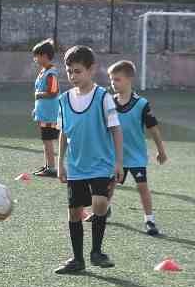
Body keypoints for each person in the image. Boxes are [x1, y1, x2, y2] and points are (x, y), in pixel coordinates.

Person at [54, 46, 122, 273]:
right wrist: (60, 161)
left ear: (91, 70)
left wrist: (118, 162)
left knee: (100, 203)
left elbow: (116, 130)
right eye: (70, 72)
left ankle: (96, 252)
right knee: (74, 212)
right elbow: (63, 132)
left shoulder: (103, 97)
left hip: (101, 163)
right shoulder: (64, 100)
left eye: (78, 71)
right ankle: (77, 259)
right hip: (76, 165)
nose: (73, 76)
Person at [107, 59, 168, 236]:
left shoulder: (141, 104)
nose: (113, 83)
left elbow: (153, 129)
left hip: (135, 156)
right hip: (116, 155)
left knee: (142, 187)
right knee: (110, 185)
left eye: (117, 79)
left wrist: (161, 150)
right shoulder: (109, 102)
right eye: (111, 80)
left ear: (129, 79)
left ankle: (150, 219)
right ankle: (104, 210)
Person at [30, 39, 63, 178]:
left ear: (44, 56)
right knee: (46, 139)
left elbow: (53, 92)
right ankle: (48, 165)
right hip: (44, 112)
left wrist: (38, 94)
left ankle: (51, 168)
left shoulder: (51, 73)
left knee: (48, 139)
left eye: (36, 55)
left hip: (50, 114)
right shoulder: (44, 71)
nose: (35, 59)